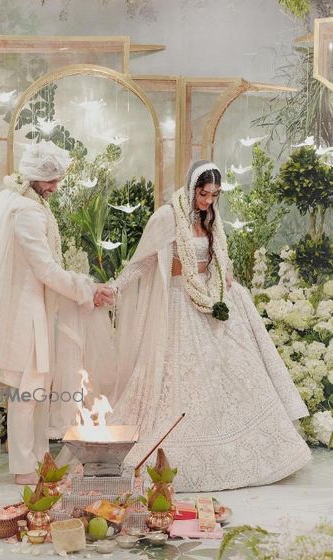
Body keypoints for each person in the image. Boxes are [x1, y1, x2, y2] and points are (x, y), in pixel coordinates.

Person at [109, 160, 311, 492]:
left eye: (214, 195)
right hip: (179, 304)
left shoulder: (210, 219)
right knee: (187, 380)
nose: (208, 201)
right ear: (191, 189)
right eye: (204, 194)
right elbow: (142, 260)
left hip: (212, 298)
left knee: (233, 373)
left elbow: (220, 259)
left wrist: (227, 282)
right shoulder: (167, 217)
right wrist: (116, 288)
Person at [0, 141, 113, 484]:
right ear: (34, 177)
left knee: (18, 388)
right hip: (24, 315)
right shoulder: (27, 212)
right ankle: (23, 467)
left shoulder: (14, 200)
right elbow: (46, 269)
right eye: (52, 180)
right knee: (27, 393)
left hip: (28, 310)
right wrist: (87, 289)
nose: (56, 187)